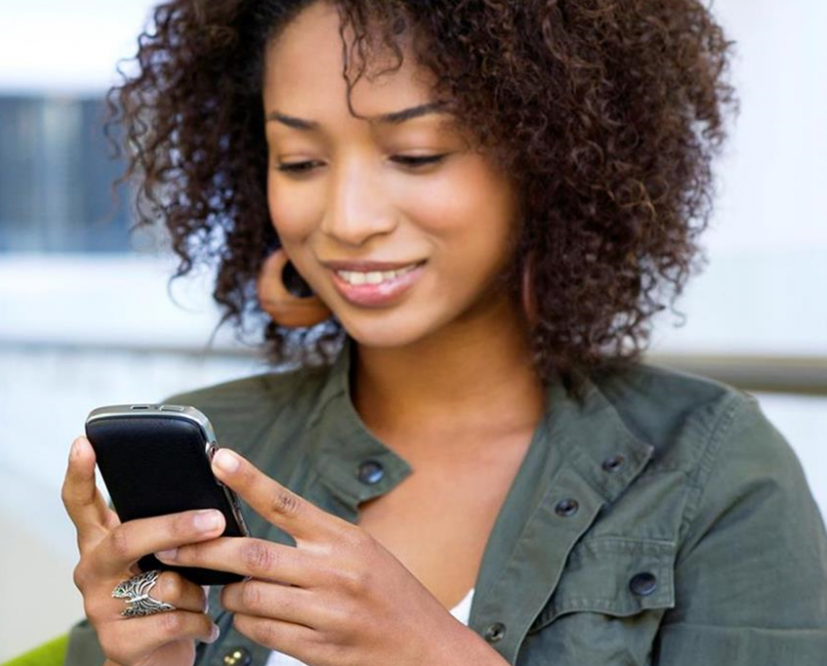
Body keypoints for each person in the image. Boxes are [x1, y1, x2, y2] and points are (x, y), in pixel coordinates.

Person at [51, 1, 827, 665]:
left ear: (549, 155)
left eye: (416, 155)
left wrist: (434, 650)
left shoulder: (711, 468)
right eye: (300, 161)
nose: (348, 220)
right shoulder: (225, 445)